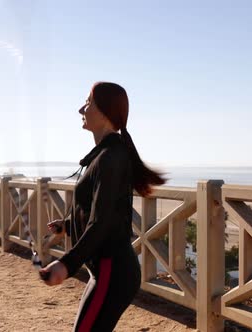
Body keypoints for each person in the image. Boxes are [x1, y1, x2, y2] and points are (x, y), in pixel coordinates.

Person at [40, 82, 166, 331]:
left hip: (112, 270)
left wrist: (66, 264)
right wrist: (68, 225)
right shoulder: (105, 154)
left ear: (106, 111)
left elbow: (103, 221)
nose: (81, 109)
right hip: (106, 271)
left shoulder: (110, 157)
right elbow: (104, 209)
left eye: (88, 102)